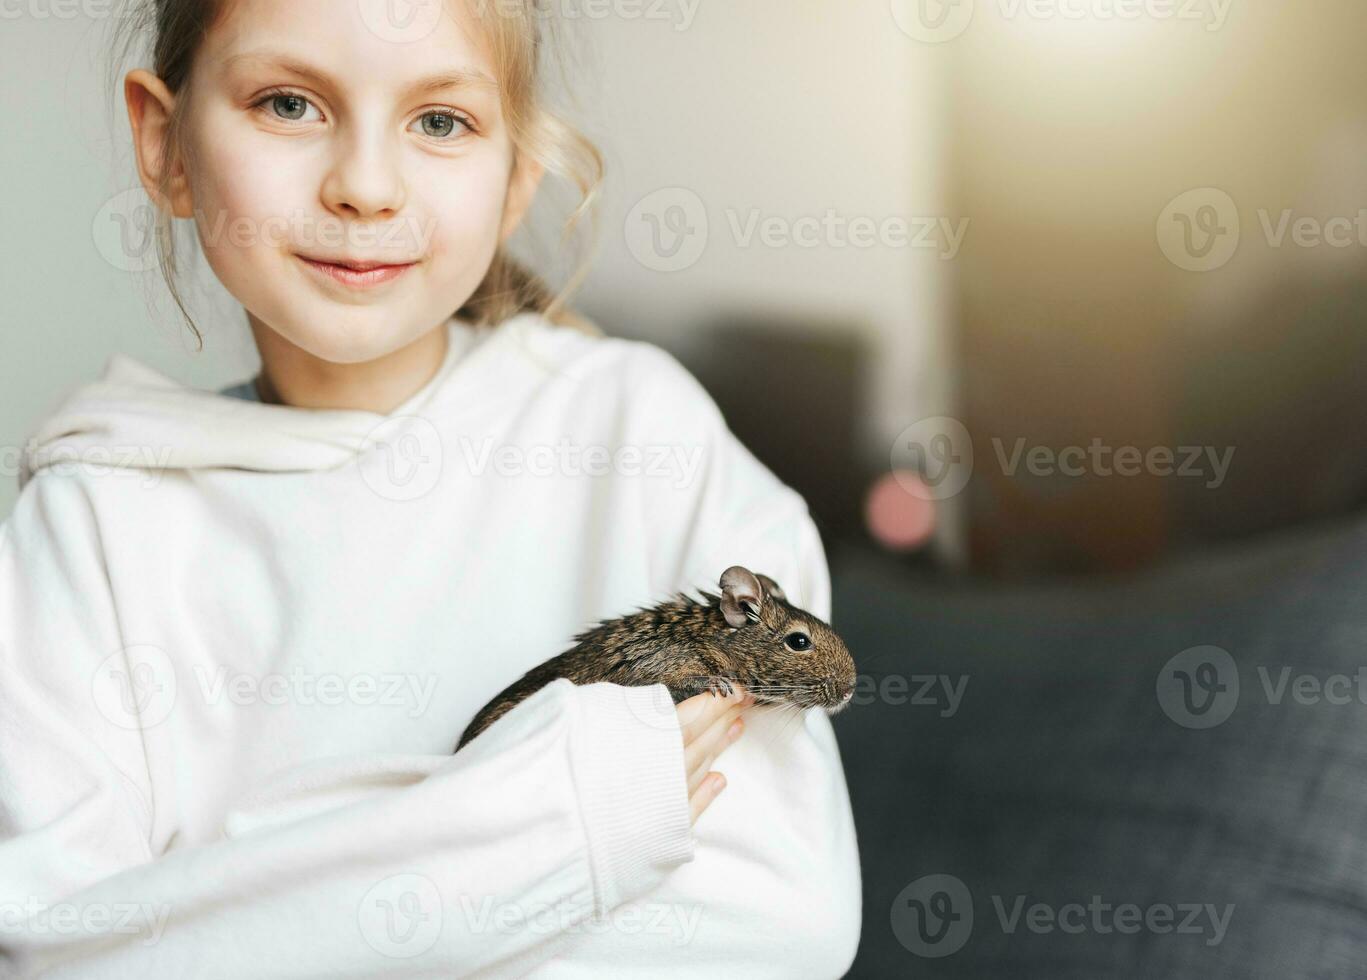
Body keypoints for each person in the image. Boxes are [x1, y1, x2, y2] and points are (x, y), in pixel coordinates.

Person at [0, 0, 860, 975]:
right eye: (288, 103)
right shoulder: (91, 524)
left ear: (513, 179)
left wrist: (246, 889)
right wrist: (575, 814)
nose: (364, 186)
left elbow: (782, 919)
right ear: (166, 146)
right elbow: (51, 955)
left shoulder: (641, 434)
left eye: (439, 121)